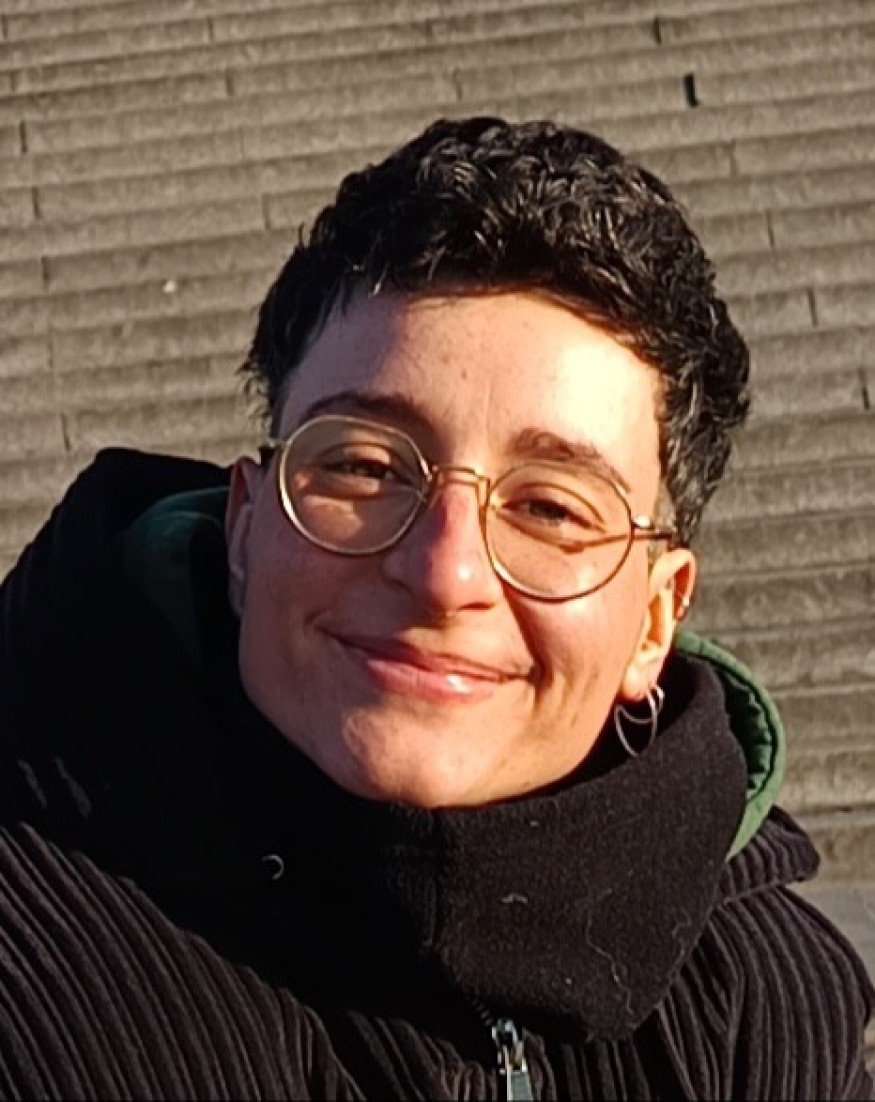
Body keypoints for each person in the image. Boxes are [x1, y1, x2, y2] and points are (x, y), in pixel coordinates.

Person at [0, 116, 871, 1101]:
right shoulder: (39, 999)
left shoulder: (759, 994)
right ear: (245, 526)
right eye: (364, 466)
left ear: (652, 622)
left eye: (550, 508)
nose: (444, 571)